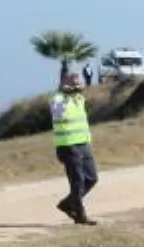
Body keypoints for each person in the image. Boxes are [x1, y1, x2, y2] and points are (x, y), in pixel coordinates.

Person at [50, 73, 98, 226]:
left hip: (84, 144)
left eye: (79, 83)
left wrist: (77, 88)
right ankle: (80, 215)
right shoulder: (57, 99)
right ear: (65, 84)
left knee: (92, 179)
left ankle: (67, 204)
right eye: (74, 83)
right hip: (68, 145)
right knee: (77, 182)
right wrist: (63, 90)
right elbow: (57, 111)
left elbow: (82, 91)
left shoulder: (79, 98)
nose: (77, 86)